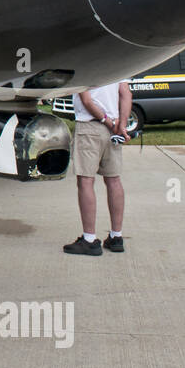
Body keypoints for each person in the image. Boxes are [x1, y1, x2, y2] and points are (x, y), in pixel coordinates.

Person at [63, 81, 130, 255]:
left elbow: (86, 100)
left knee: (85, 181)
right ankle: (116, 236)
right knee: (113, 179)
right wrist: (121, 125)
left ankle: (89, 239)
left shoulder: (88, 59)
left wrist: (106, 121)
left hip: (90, 125)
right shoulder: (120, 61)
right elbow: (125, 93)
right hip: (114, 128)